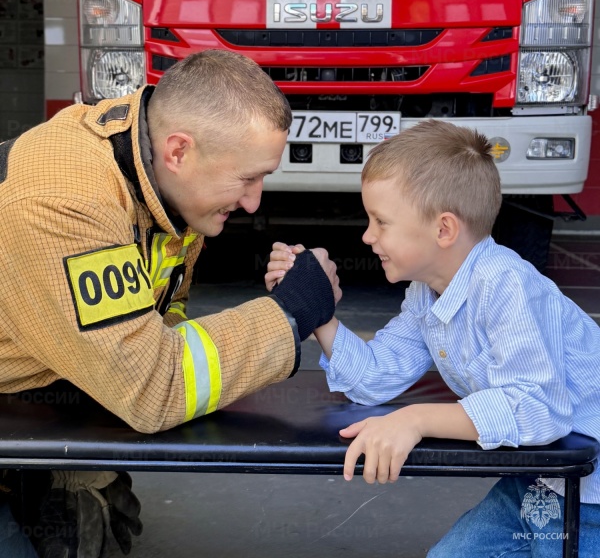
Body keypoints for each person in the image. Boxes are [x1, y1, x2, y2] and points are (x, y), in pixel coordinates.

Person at [0, 49, 339, 558]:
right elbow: (153, 386)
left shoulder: (157, 183)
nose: (254, 203)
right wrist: (291, 311)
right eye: (247, 178)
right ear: (180, 151)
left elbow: (162, 319)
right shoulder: (66, 202)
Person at [266, 119, 600, 556]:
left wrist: (416, 419)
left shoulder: (506, 285)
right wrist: (317, 309)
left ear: (443, 229)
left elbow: (538, 408)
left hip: (590, 497)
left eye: (381, 222)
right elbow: (376, 377)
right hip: (535, 481)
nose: (367, 236)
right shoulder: (427, 294)